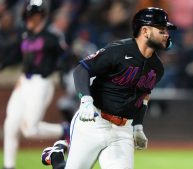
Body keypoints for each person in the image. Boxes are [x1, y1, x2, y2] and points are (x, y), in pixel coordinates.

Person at [41, 7, 176, 169]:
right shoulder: (118, 50)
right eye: (161, 29)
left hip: (122, 131)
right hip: (93, 122)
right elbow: (82, 69)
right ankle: (56, 155)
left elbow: (143, 97)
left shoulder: (157, 68)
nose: (166, 33)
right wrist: (85, 99)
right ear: (145, 31)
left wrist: (138, 125)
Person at [0, 1, 70, 169]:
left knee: (30, 130)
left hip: (42, 82)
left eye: (33, 15)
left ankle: (64, 130)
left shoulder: (52, 37)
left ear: (41, 16)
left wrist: (61, 73)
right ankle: (8, 166)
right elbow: (16, 55)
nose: (29, 19)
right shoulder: (25, 35)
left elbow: (65, 56)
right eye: (28, 15)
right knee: (10, 124)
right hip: (24, 81)